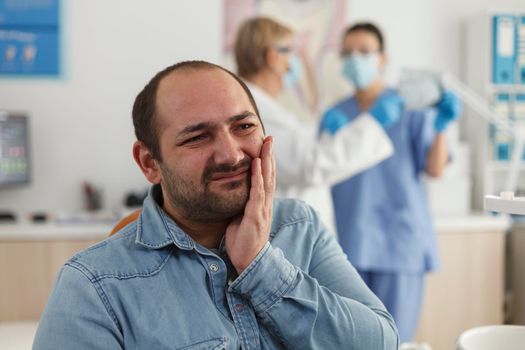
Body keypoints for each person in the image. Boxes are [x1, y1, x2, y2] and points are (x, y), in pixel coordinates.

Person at [33, 60, 399, 349]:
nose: (230, 154)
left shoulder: (298, 227)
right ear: (149, 163)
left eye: (243, 127)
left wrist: (262, 266)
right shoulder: (95, 285)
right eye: (197, 137)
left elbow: (380, 343)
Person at [319, 22, 462, 342]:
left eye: (365, 52)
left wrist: (441, 126)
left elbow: (435, 169)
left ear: (383, 58)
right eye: (348, 53)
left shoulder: (407, 106)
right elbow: (317, 172)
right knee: (351, 340)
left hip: (400, 242)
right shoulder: (335, 114)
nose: (356, 59)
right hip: (348, 243)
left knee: (394, 340)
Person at [234, 17, 401, 231]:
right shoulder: (258, 110)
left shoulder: (262, 107)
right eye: (291, 52)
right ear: (274, 58)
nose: (295, 62)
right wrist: (372, 125)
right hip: (289, 232)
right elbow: (310, 165)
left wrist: (319, 134)